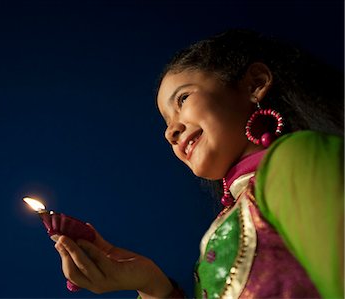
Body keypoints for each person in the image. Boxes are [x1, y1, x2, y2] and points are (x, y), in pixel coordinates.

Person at [53, 29, 344, 299]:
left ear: (255, 84)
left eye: (183, 98)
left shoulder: (296, 158)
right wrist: (151, 283)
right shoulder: (231, 219)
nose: (170, 131)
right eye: (166, 122)